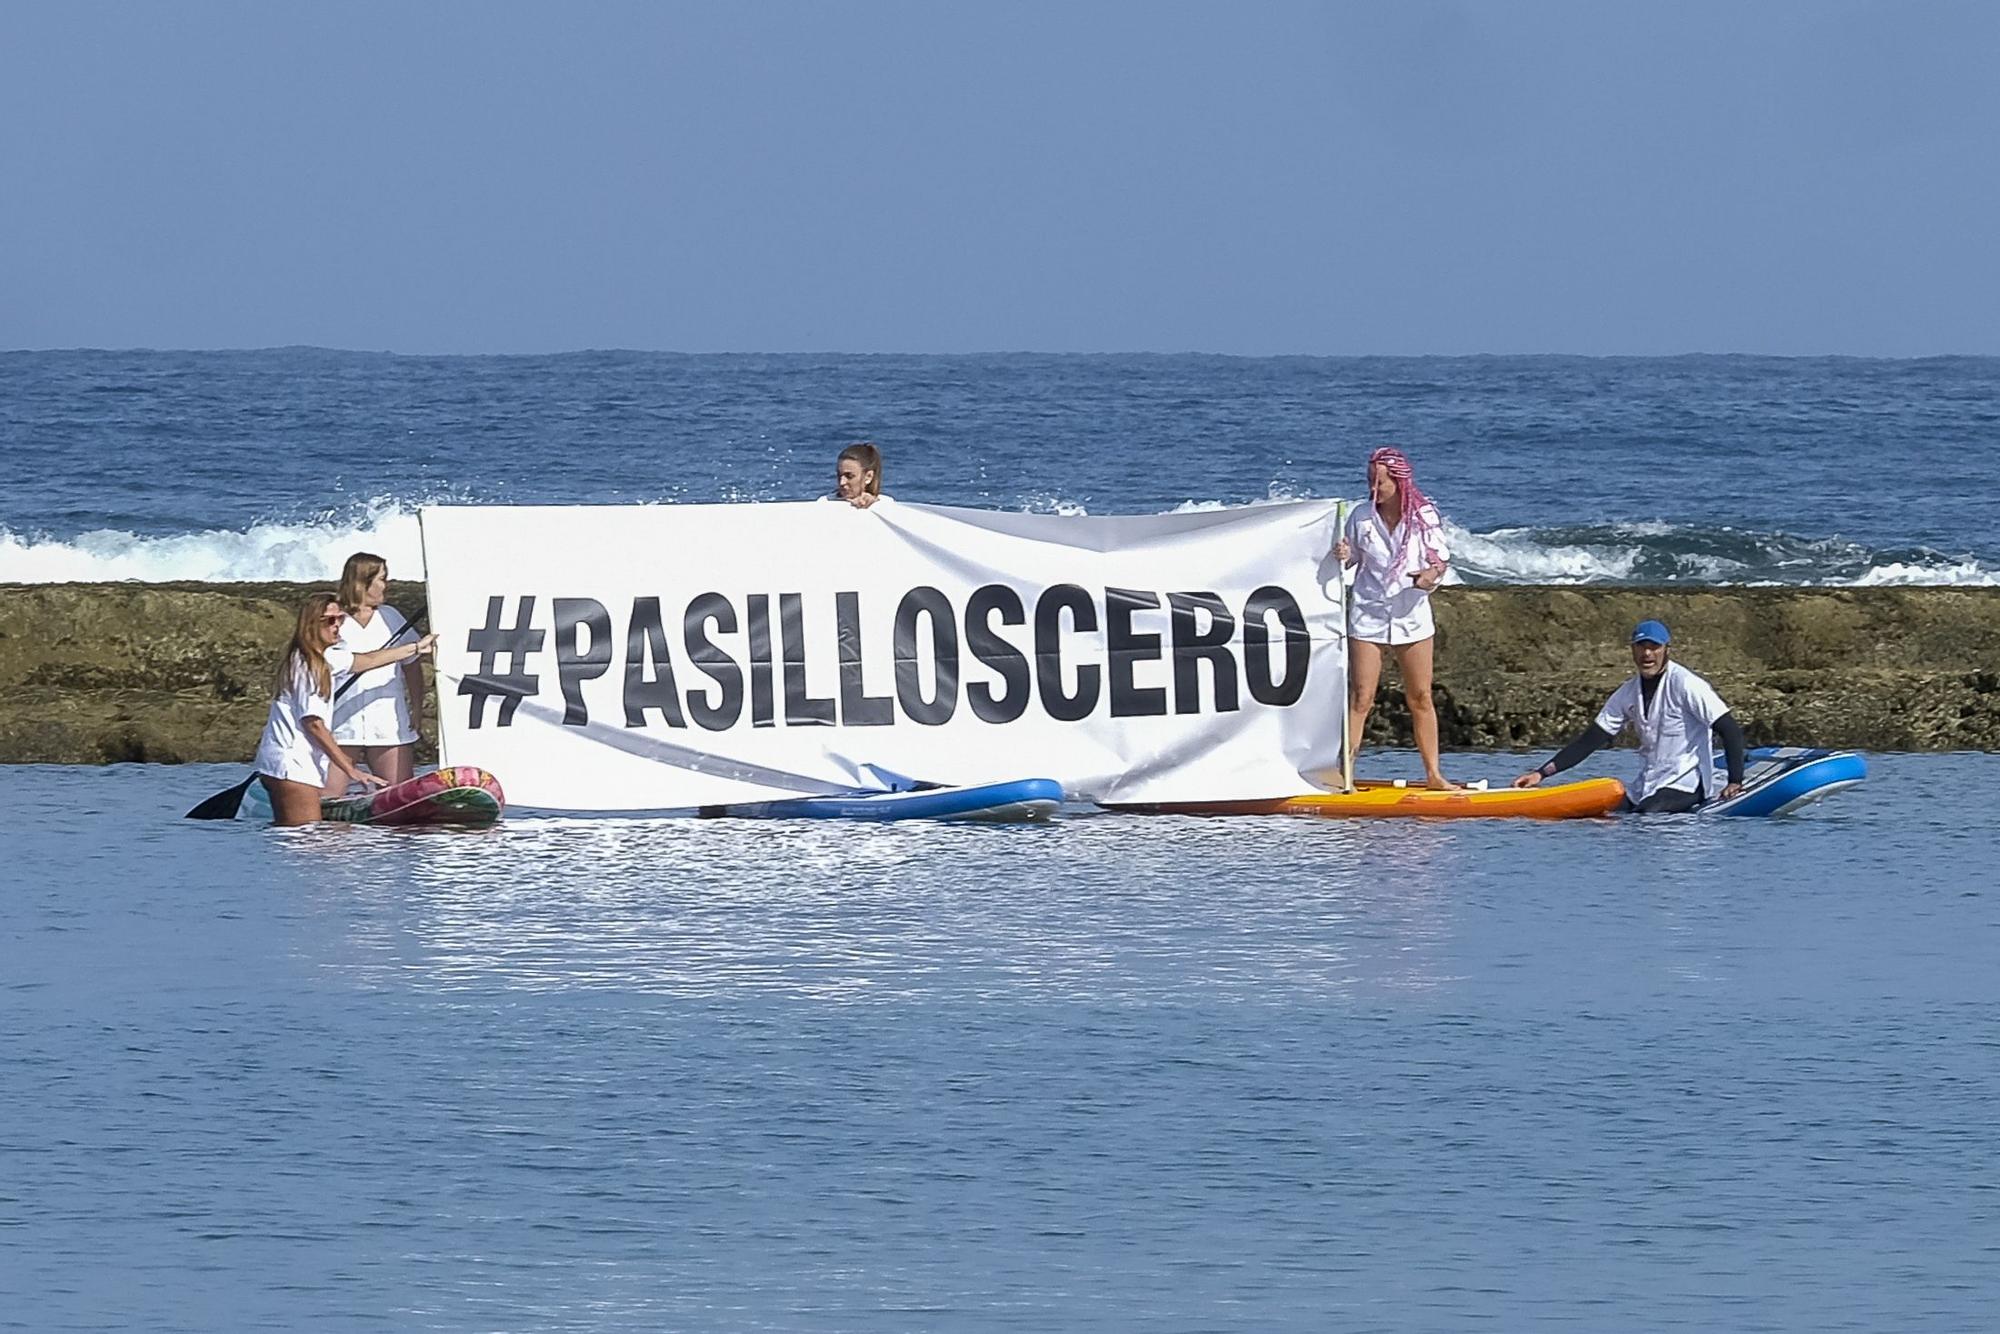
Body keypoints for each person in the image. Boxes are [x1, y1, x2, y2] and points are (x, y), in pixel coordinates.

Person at [1513, 619, 1746, 813]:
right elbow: (1590, 740)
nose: (1647, 654)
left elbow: (1729, 729)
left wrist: (1734, 781)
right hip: (1648, 784)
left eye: (1654, 647)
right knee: (1604, 814)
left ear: (1666, 649)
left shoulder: (1687, 685)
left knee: (1645, 815)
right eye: (1641, 646)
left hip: (1687, 784)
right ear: (1632, 650)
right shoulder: (1627, 692)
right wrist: (1540, 773)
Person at [1333, 446, 1457, 790]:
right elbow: (1351, 560)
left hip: (1411, 614)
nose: (1374, 489)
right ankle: (1345, 775)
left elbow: (1439, 561)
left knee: (1420, 697)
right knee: (1361, 697)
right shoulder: (1360, 516)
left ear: (1399, 482)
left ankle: (1434, 775)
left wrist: (1430, 576)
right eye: (1370, 481)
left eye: (1381, 483)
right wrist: (1342, 554)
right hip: (1368, 614)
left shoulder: (1424, 514)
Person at [254, 592, 436, 826]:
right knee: (308, 839)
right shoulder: (308, 664)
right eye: (329, 620)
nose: (337, 625)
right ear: (311, 624)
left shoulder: (328, 656)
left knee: (320, 843)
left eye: (340, 618)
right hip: (291, 766)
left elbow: (369, 660)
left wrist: (415, 648)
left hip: (294, 766)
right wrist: (351, 770)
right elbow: (314, 724)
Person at [322, 552, 424, 796]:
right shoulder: (335, 619)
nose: (385, 585)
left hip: (388, 720)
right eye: (381, 579)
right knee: (326, 801)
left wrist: (418, 708)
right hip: (340, 720)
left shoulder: (390, 617)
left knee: (398, 797)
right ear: (362, 582)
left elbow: (412, 664)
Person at [831, 442, 888, 508]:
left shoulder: (885, 505)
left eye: (849, 476)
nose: (842, 482)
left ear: (868, 477)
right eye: (839, 475)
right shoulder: (824, 503)